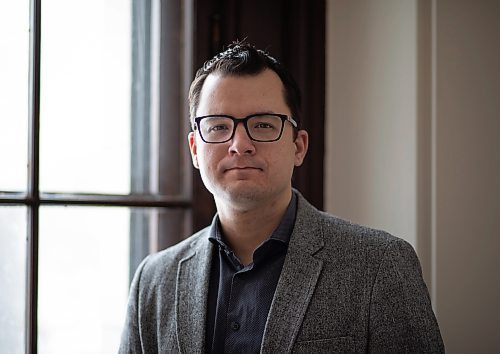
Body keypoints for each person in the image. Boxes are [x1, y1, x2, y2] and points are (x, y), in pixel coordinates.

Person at [119, 42, 444, 353]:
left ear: (298, 146)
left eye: (262, 124)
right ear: (194, 148)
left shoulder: (379, 265)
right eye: (218, 127)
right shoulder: (154, 280)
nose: (240, 144)